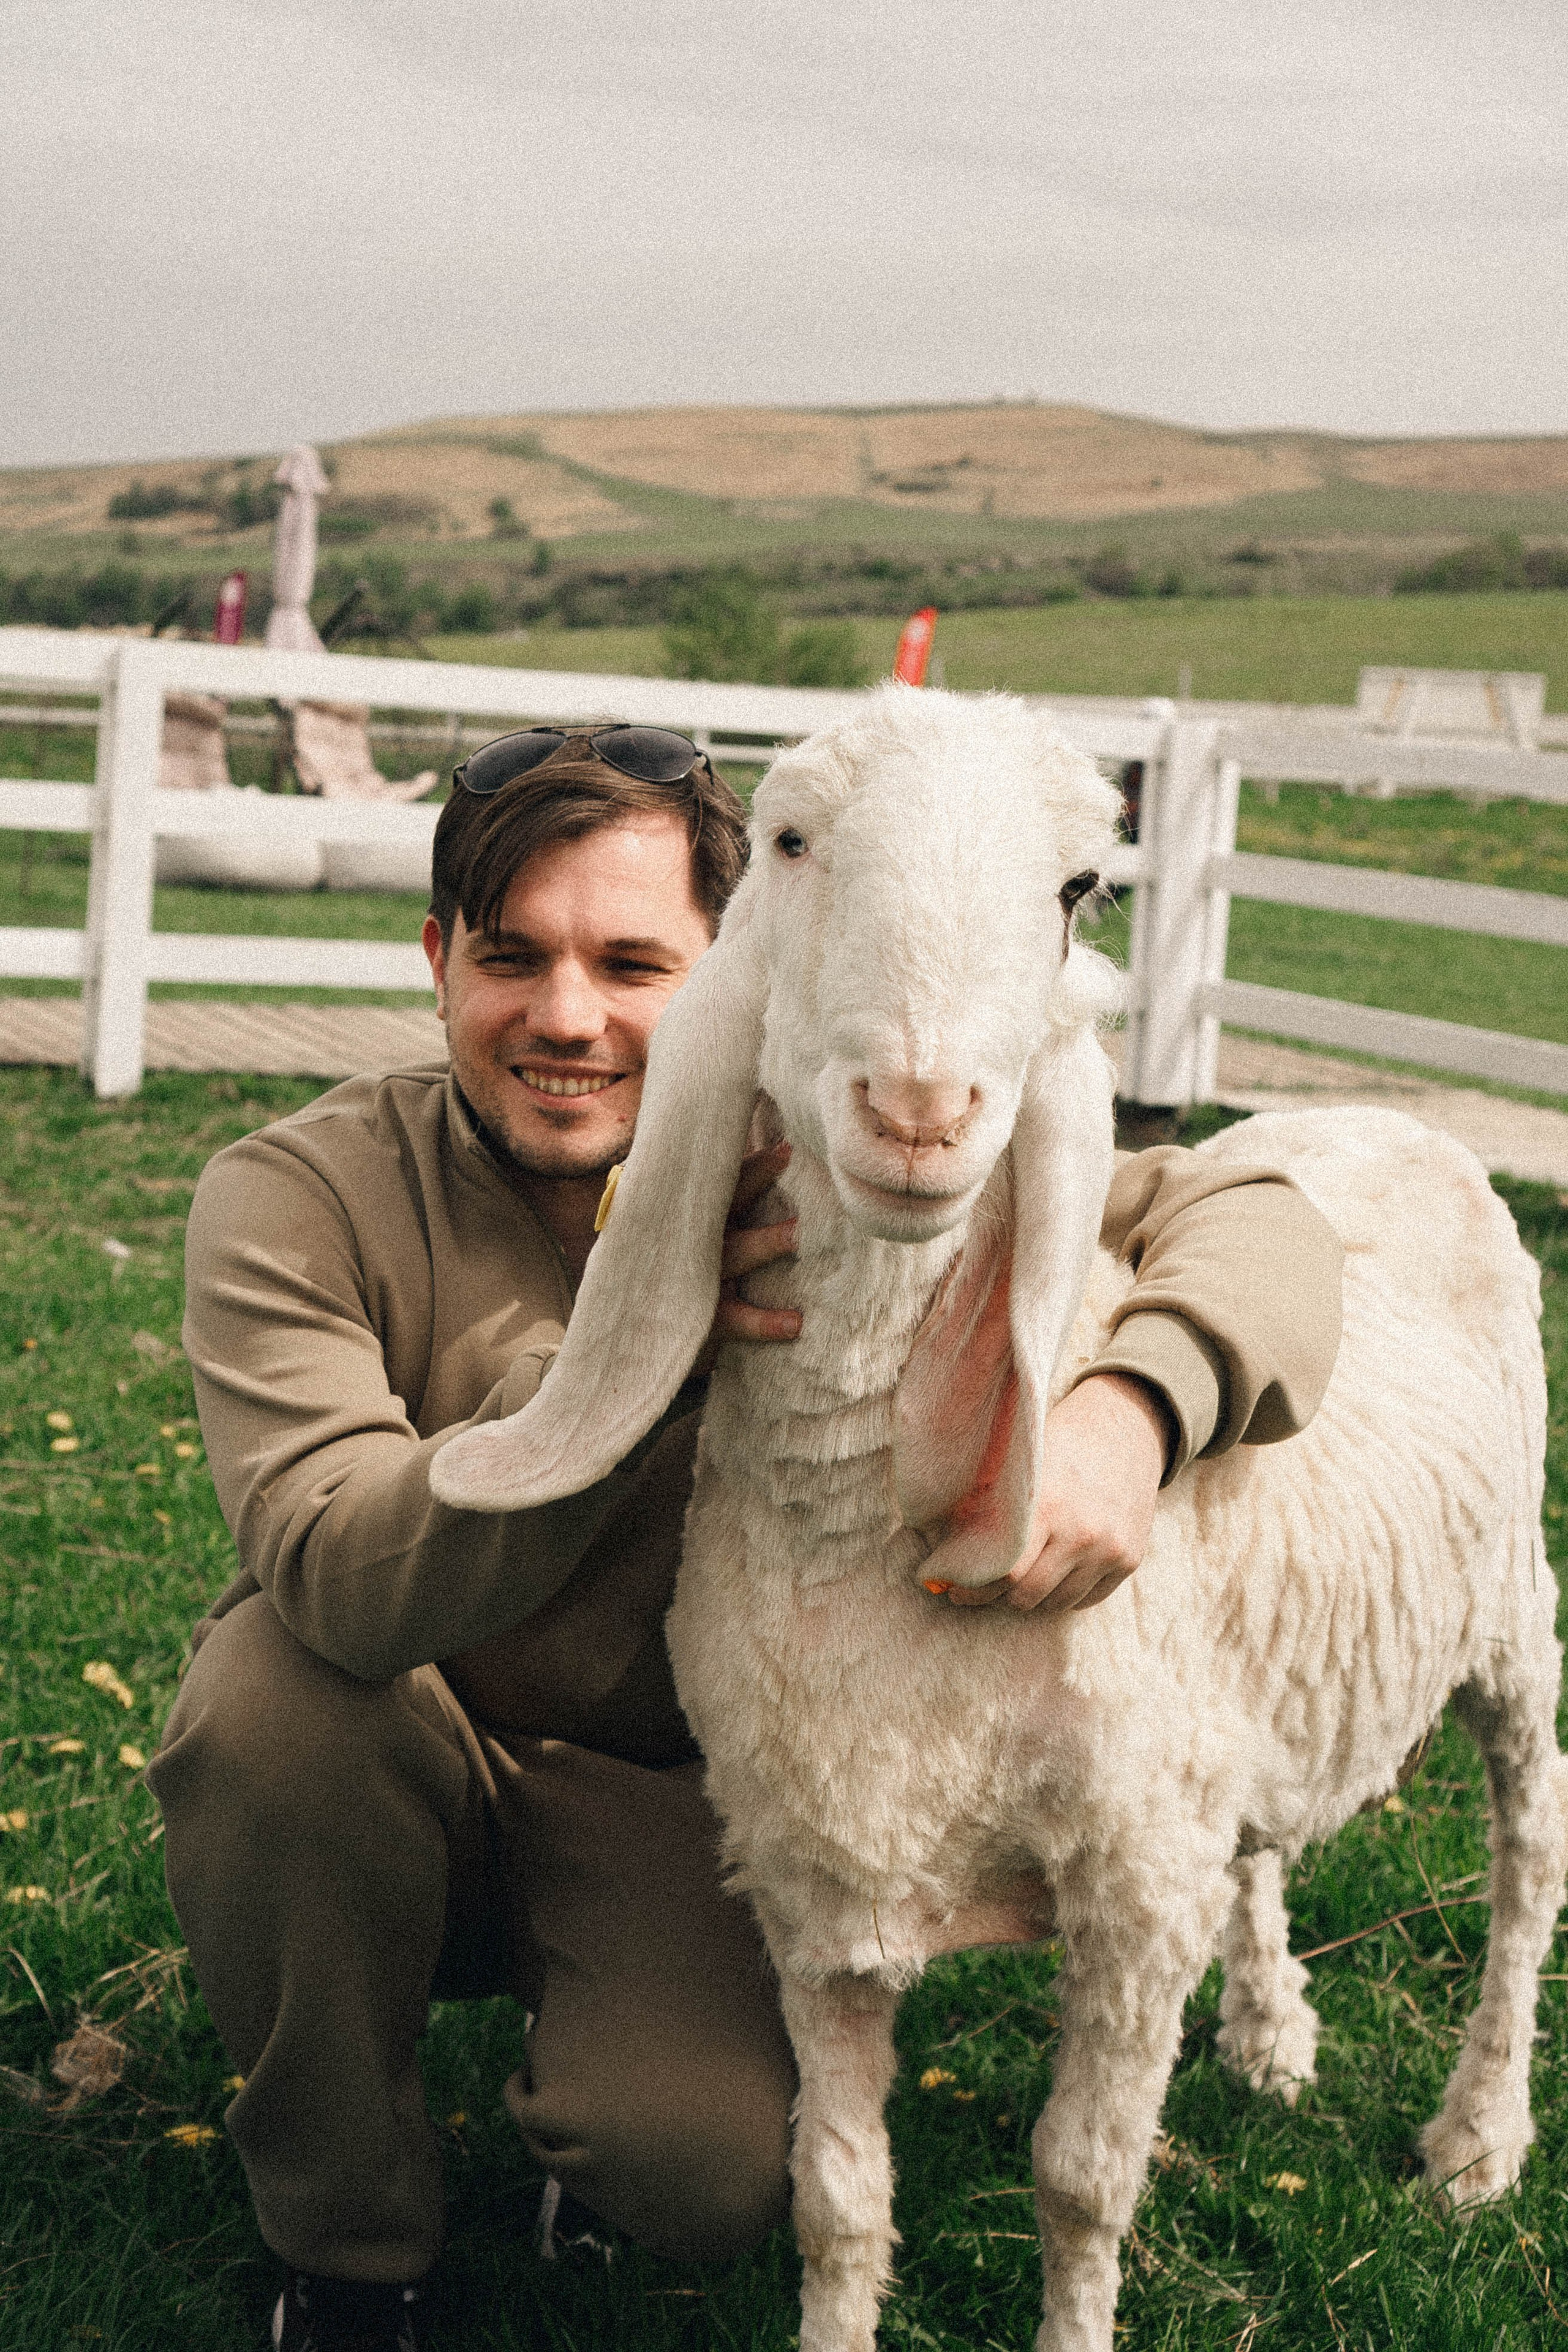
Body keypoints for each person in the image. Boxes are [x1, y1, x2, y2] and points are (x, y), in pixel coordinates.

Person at [148, 723, 1343, 2352]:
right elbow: (336, 1566)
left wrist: (1139, 1405)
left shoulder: (844, 1155)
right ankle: (353, 2255)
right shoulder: (300, 1197)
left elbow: (1252, 1222)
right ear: (438, 962)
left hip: (674, 1797)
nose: (566, 1016)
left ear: (739, 961)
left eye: (632, 962)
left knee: (704, 2173)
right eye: (514, 958)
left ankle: (601, 2097)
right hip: (400, 1744)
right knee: (269, 1705)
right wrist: (654, 1339)